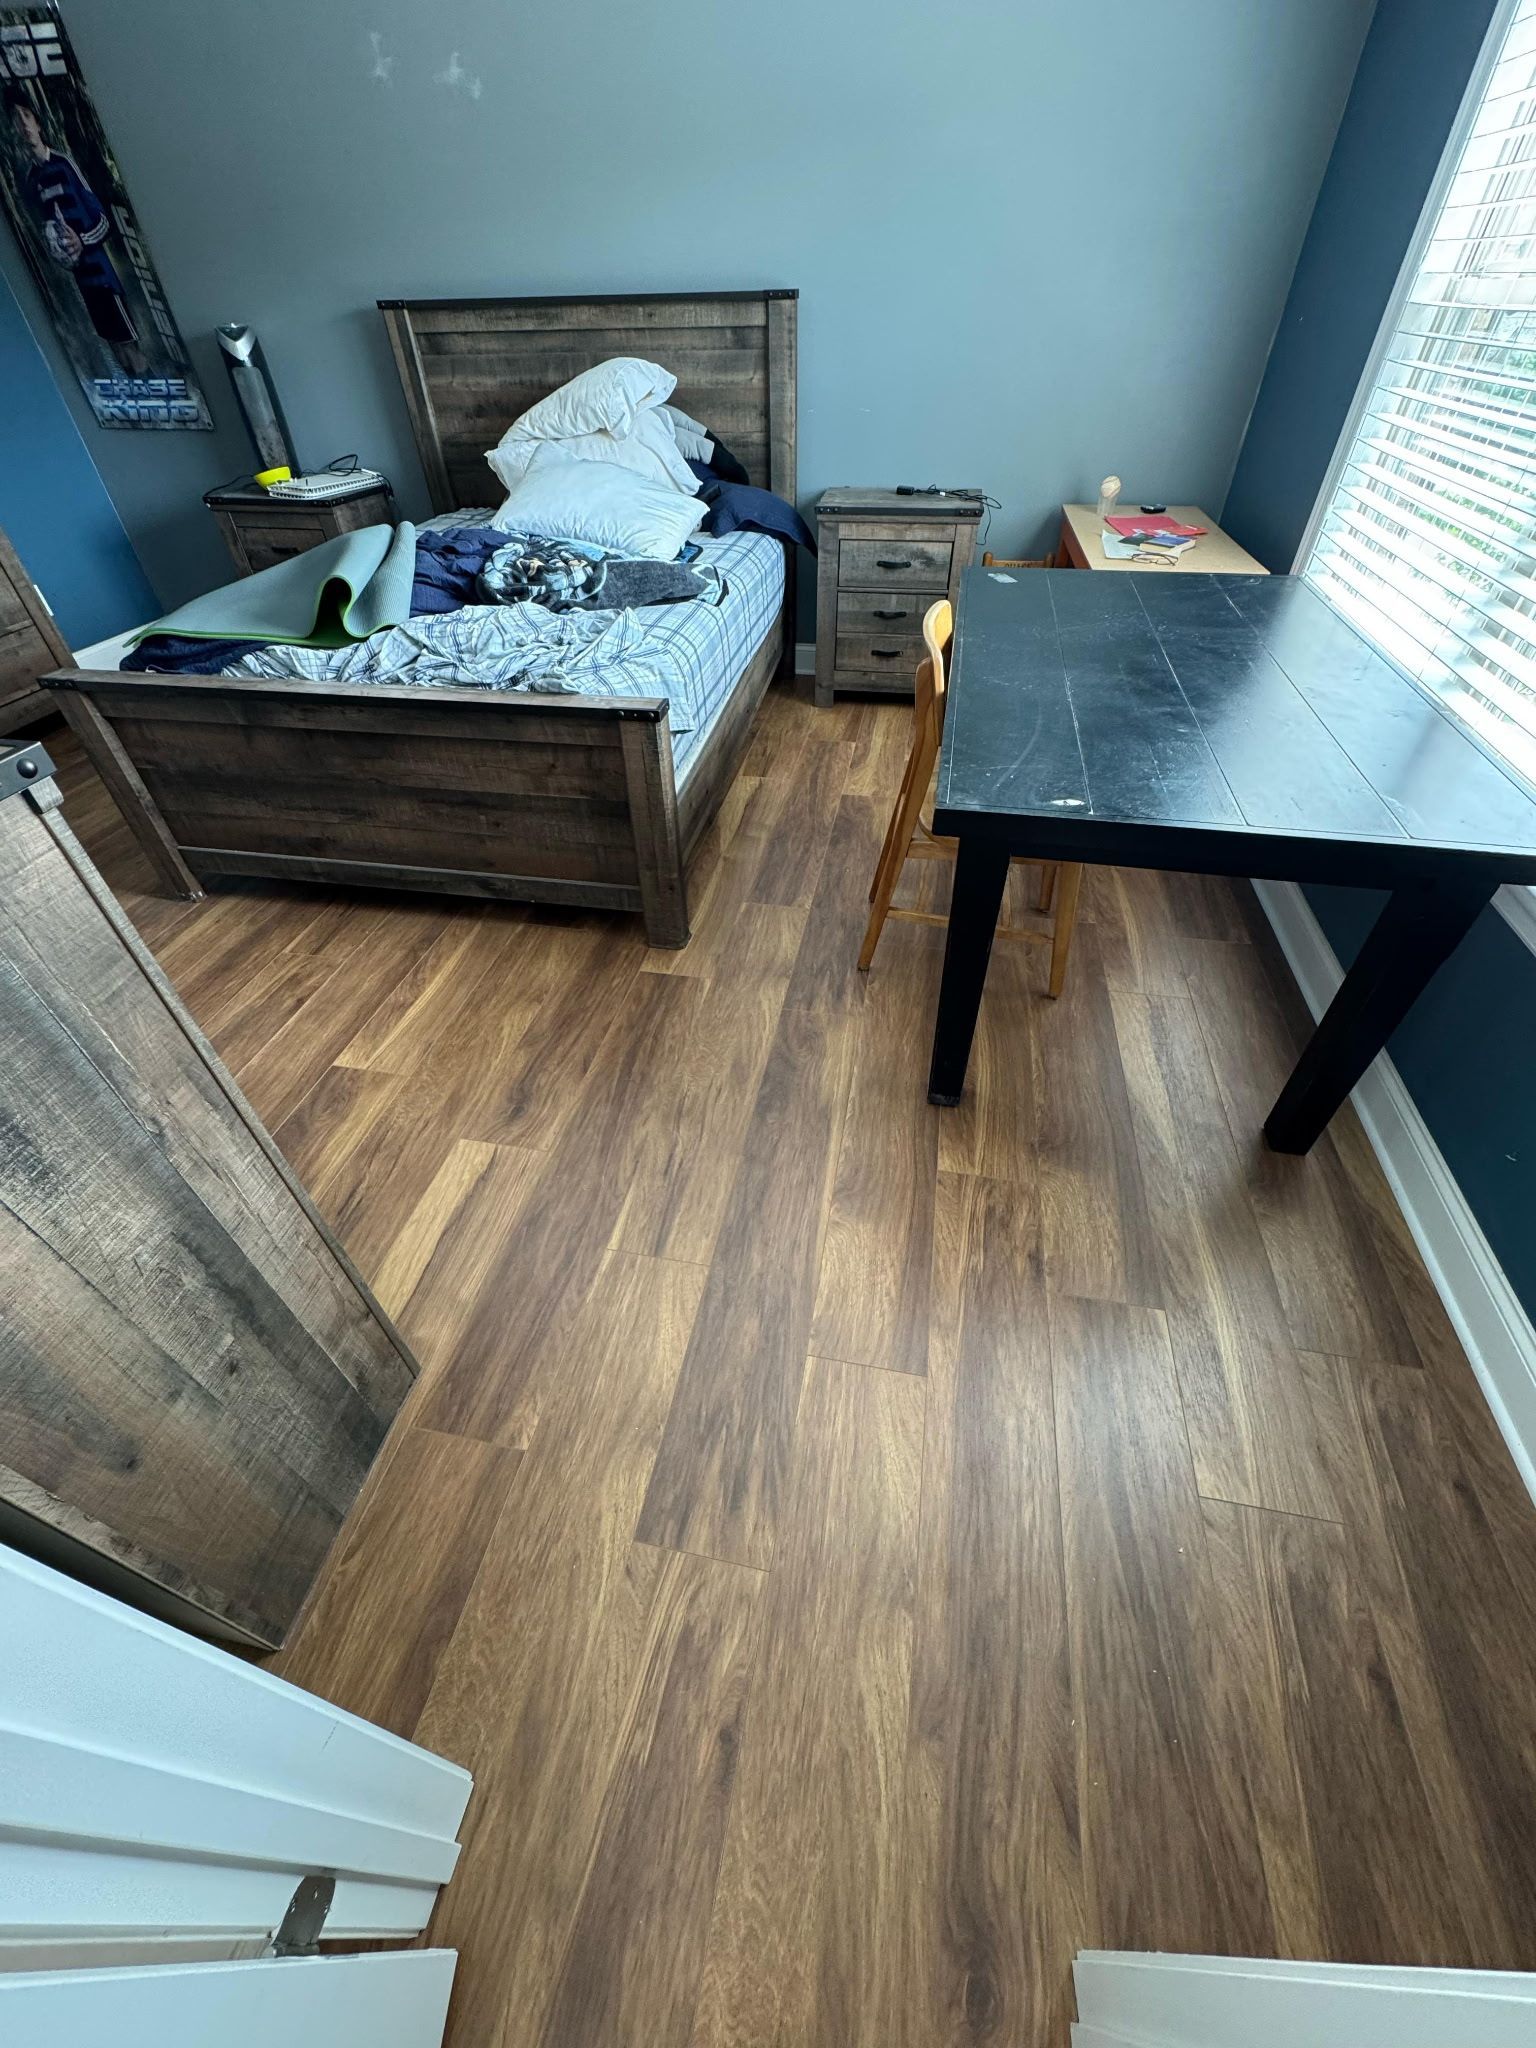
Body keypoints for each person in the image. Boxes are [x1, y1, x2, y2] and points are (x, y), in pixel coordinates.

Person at [4, 88, 148, 379]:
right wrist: (59, 251)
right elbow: (48, 233)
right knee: (116, 352)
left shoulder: (65, 164)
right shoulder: (32, 181)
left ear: (38, 123)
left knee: (130, 349)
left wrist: (82, 240)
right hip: (83, 284)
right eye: (17, 120)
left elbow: (104, 221)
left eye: (27, 116)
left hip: (103, 277)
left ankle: (151, 385)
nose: (24, 124)